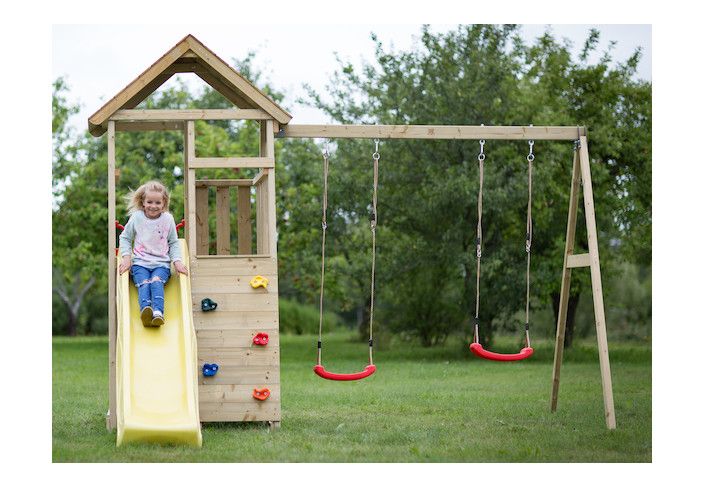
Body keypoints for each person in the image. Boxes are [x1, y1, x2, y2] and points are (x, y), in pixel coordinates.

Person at [118, 180, 188, 326]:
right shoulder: (137, 218)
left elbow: (173, 242)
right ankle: (146, 311)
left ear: (164, 203)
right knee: (144, 283)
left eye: (158, 203)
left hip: (161, 264)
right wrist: (126, 258)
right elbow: (125, 237)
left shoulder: (167, 219)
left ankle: (158, 313)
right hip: (140, 264)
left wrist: (177, 261)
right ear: (143, 202)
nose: (153, 206)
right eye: (149, 202)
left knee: (156, 282)